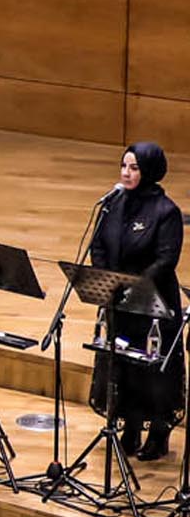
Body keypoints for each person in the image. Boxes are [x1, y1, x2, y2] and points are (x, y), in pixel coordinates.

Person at [88, 142, 184, 464]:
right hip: (119, 300)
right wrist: (107, 278)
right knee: (122, 366)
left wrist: (134, 285)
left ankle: (158, 434)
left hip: (153, 302)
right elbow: (98, 244)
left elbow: (166, 259)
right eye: (124, 166)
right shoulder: (112, 204)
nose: (126, 173)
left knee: (152, 371)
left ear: (149, 171)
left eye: (134, 168)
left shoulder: (166, 212)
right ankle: (129, 428)